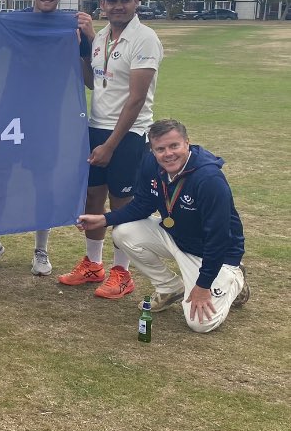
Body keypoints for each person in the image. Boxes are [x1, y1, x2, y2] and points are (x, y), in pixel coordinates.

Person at [0, 0, 95, 275]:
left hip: (46, 117)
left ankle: (41, 251)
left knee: (43, 182)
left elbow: (91, 80)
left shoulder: (73, 27)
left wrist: (90, 40)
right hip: (8, 112)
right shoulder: (15, 21)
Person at [76, 118, 249, 332]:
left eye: (174, 146)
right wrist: (104, 219)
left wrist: (203, 286)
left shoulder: (209, 179)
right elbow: (141, 205)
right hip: (178, 238)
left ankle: (234, 279)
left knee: (201, 324)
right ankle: (169, 288)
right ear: (153, 149)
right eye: (160, 149)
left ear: (187, 143)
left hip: (216, 255)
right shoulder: (152, 164)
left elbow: (219, 238)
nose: (168, 154)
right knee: (123, 232)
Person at [58, 0, 164, 299]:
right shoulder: (101, 36)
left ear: (136, 2)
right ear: (102, 4)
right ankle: (94, 264)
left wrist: (110, 145)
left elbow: (135, 98)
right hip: (96, 127)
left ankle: (122, 272)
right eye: (112, 0)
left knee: (122, 203)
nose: (118, 5)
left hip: (128, 133)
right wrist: (74, 52)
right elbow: (94, 81)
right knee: (92, 199)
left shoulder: (145, 39)